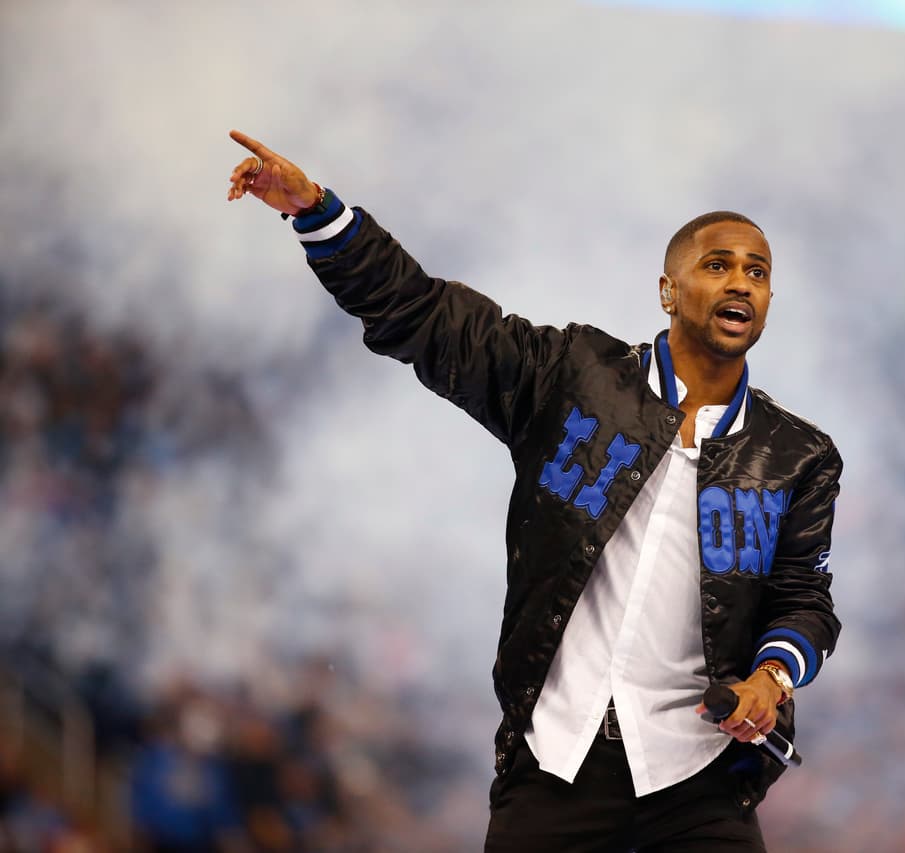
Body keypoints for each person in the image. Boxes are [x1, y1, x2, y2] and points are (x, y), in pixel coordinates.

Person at [225, 129, 842, 852]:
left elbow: (805, 598)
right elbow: (424, 316)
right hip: (554, 763)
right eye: (718, 264)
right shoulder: (571, 376)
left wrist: (771, 678)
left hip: (700, 783)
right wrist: (316, 212)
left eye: (758, 272)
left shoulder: (798, 455)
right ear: (669, 290)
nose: (741, 281)